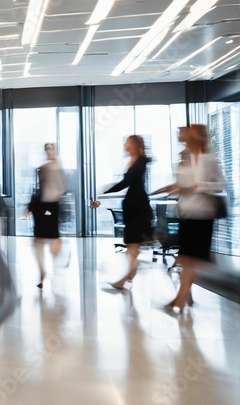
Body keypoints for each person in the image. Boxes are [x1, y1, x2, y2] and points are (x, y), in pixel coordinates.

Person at [154, 125, 225, 313]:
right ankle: (186, 296)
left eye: (186, 131)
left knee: (188, 258)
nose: (180, 133)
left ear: (196, 136)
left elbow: (220, 184)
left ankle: (179, 300)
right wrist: (171, 188)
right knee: (187, 259)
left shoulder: (207, 159)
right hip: (186, 212)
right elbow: (183, 184)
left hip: (202, 214)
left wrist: (198, 185)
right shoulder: (185, 158)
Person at [90, 135, 152, 290]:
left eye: (128, 142)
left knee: (133, 245)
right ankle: (129, 275)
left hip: (138, 207)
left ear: (136, 145)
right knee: (132, 245)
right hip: (133, 206)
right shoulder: (133, 162)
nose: (125, 144)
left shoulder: (140, 162)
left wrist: (104, 191)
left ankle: (124, 279)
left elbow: (127, 182)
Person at [27, 143, 65, 288]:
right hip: (41, 206)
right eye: (47, 149)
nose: (49, 151)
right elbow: (38, 189)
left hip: (51, 207)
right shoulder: (43, 167)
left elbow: (61, 189)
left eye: (51, 148)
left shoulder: (56, 166)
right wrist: (31, 206)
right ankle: (42, 271)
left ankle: (50, 268)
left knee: (52, 237)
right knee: (38, 239)